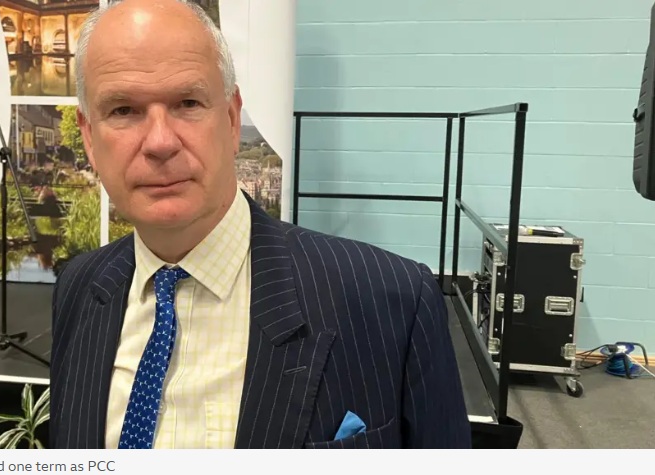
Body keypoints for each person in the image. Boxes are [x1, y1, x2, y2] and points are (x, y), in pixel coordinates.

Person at [49, 0, 471, 449]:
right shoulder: (79, 288)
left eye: (188, 103)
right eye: (123, 110)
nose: (159, 142)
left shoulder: (392, 303)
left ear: (232, 120)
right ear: (89, 138)